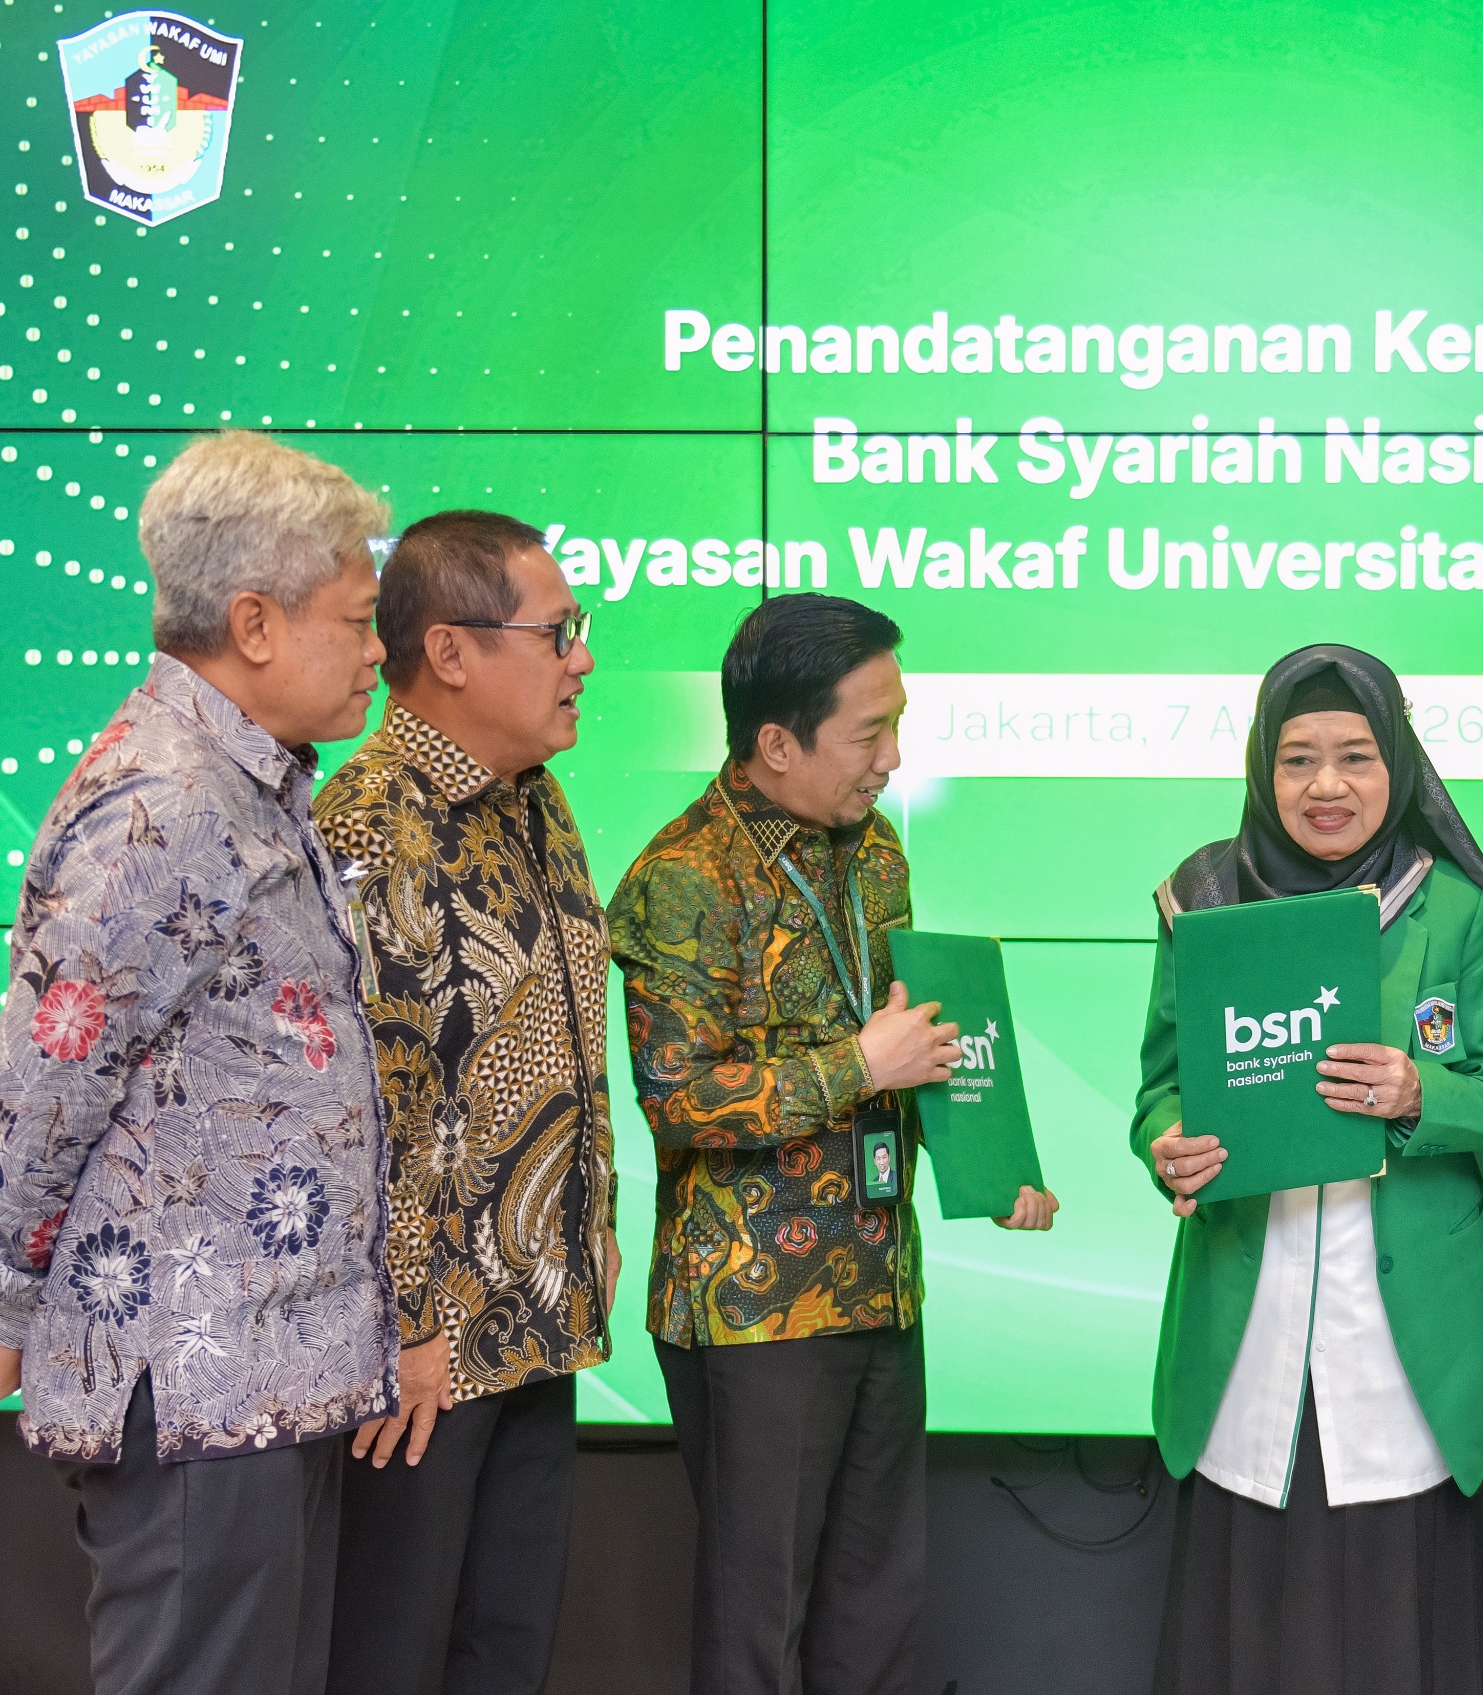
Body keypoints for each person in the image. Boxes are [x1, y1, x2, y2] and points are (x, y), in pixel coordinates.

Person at [0, 431, 398, 1695]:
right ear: (254, 622)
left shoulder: (249, 783)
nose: (379, 650)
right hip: (190, 1387)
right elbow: (42, 1087)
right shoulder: (161, 803)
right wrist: (3, 1304)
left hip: (265, 1378)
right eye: (359, 619)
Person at [608, 592, 1058, 1695]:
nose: (891, 758)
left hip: (880, 1281)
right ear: (777, 742)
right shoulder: (685, 876)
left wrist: (993, 1163)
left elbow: (915, 1034)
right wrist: (858, 1063)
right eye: (869, 732)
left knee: (879, 1610)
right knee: (759, 1621)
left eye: (896, 724)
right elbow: (678, 1098)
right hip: (755, 1308)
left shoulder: (877, 850)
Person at [1139, 644, 1483, 1695]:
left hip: (1405, 1321)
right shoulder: (1201, 896)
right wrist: (1167, 1143)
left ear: (1399, 763)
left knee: (1397, 1620)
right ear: (1263, 768)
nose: (1326, 785)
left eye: (1355, 755)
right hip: (1244, 1306)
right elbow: (1160, 1089)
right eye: (1297, 758)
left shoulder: (1456, 908)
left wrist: (1416, 1090)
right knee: (1243, 1616)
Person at [313, 511, 615, 1695]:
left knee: (507, 1650)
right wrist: (409, 1324)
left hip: (540, 1313)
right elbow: (373, 1105)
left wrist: (588, 1232)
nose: (582, 657)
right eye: (557, 632)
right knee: (391, 1654)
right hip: (424, 1347)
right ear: (449, 650)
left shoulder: (535, 798)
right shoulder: (369, 824)